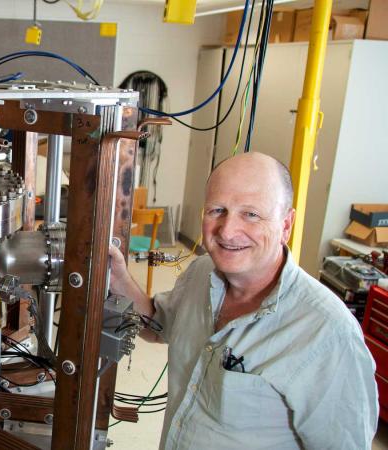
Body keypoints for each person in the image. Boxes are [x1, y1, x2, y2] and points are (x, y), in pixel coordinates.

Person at [108, 152, 378, 449]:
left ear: (286, 224)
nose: (227, 230)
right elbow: (157, 324)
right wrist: (118, 277)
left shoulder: (327, 333)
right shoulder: (201, 273)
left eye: (251, 214)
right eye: (217, 210)